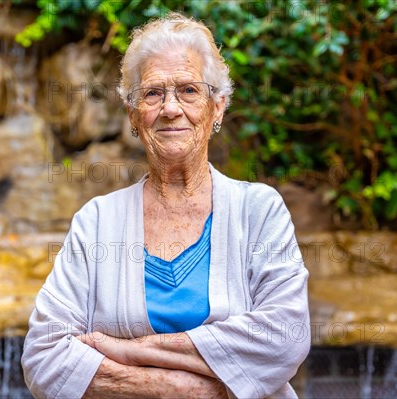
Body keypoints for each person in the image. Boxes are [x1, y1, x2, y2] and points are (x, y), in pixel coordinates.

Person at [22, 12, 310, 399]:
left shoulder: (258, 211)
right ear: (133, 115)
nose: (171, 108)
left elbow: (285, 338)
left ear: (218, 107)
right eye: (153, 93)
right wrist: (178, 389)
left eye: (189, 90)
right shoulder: (96, 222)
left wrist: (128, 352)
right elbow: (43, 358)